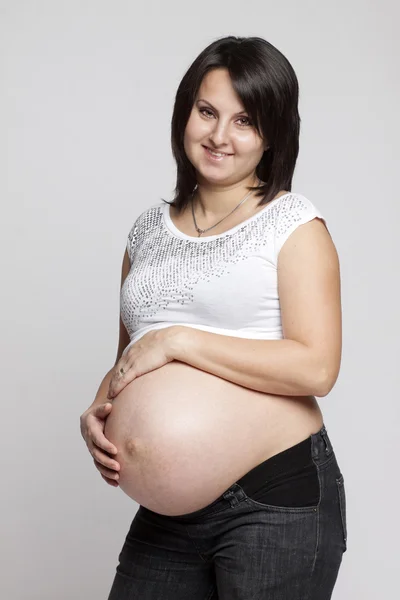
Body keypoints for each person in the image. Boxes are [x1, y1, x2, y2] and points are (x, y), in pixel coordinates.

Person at [80, 35, 347, 599]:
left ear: (272, 133)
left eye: (245, 120)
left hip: (273, 500)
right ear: (185, 112)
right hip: (171, 512)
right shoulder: (147, 231)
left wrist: (181, 342)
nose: (219, 136)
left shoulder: (294, 227)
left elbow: (316, 368)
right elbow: (132, 357)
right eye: (207, 111)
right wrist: (100, 412)